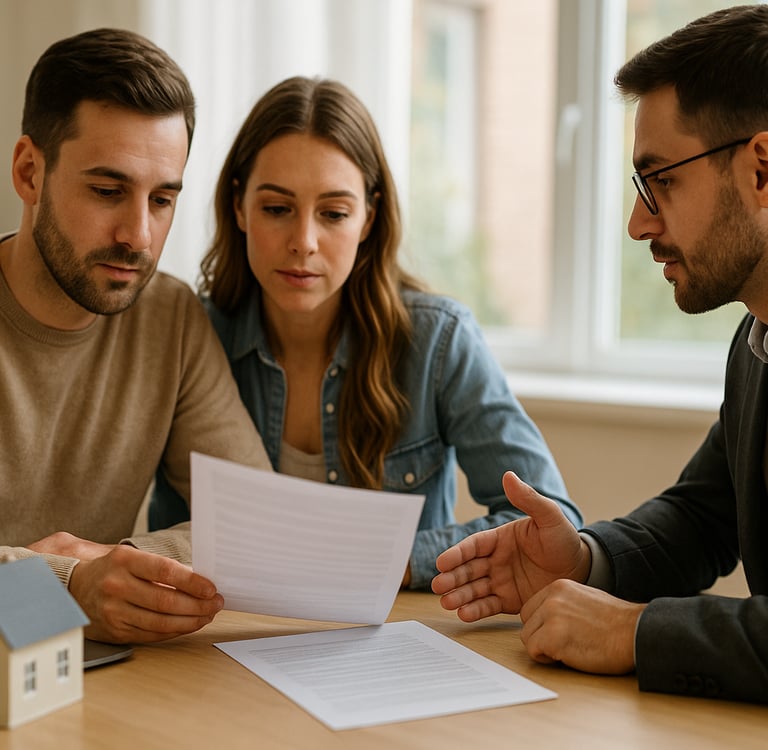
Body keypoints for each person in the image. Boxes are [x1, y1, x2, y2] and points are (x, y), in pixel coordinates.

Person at [432, 4, 768, 704]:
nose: (638, 221)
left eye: (660, 181)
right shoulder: (757, 341)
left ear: (761, 169)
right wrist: (584, 559)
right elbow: (702, 517)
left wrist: (635, 632)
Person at [148, 75, 582, 589]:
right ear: (239, 206)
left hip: (392, 642)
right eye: (276, 209)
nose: (303, 241)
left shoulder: (438, 343)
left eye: (333, 213)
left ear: (369, 218)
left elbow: (552, 524)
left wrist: (385, 561)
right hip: (230, 635)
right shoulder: (194, 338)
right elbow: (173, 533)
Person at [0, 28, 270, 644]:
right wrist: (65, 584)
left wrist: (117, 565)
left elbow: (256, 521)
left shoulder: (170, 318)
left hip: (95, 688)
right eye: (107, 191)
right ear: (29, 172)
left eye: (162, 200)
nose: (139, 236)